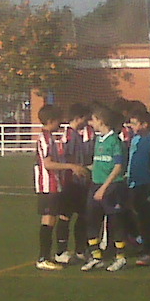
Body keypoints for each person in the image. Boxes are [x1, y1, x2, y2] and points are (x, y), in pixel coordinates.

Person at [34, 106, 89, 271]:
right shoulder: (44, 138)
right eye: (58, 120)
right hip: (47, 185)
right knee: (48, 220)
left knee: (51, 219)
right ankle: (43, 257)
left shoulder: (49, 137)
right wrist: (70, 166)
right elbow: (48, 164)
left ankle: (48, 256)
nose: (60, 123)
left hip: (54, 184)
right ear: (50, 121)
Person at [81, 105, 130, 273]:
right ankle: (96, 257)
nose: (90, 122)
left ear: (101, 121)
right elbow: (100, 162)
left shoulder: (115, 141)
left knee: (115, 222)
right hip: (95, 185)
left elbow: (118, 166)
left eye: (93, 119)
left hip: (111, 187)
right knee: (91, 221)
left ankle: (121, 257)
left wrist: (104, 187)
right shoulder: (98, 139)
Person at [54, 103, 94, 265]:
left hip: (85, 182)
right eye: (85, 118)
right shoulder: (65, 135)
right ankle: (61, 251)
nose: (87, 121)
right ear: (78, 118)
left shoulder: (89, 133)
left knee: (84, 216)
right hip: (68, 183)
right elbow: (60, 157)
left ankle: (80, 249)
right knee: (65, 216)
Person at [127, 108, 150, 266]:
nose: (132, 126)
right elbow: (131, 161)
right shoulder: (134, 140)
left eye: (135, 123)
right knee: (137, 217)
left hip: (148, 184)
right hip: (134, 183)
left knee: (146, 219)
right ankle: (142, 245)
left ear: (144, 124)